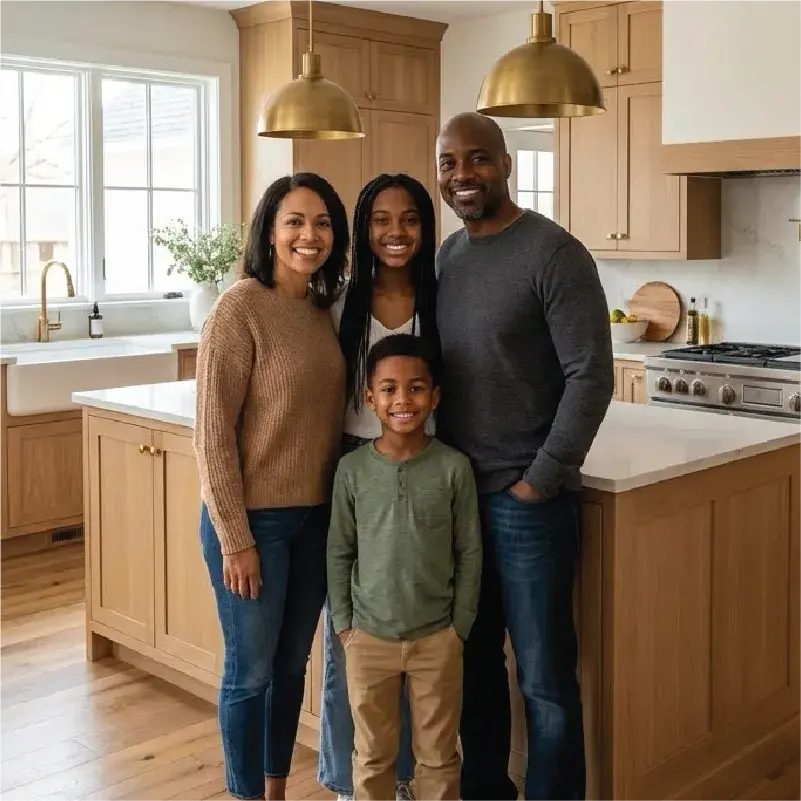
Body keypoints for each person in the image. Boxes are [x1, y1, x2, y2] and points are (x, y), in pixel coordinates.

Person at [435, 112, 614, 801]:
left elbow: (589, 374)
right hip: (456, 504)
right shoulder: (448, 258)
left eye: (476, 160)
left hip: (526, 506)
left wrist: (540, 480)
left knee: (543, 680)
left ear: (505, 164)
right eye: (449, 163)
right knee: (474, 665)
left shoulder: (553, 253)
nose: (462, 176)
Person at [195, 172, 349, 801]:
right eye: (294, 222)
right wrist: (235, 536)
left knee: (291, 669)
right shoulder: (239, 308)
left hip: (314, 521)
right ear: (270, 229)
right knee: (250, 672)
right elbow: (211, 435)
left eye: (321, 223)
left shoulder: (321, 310)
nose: (308, 236)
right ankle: (244, 795)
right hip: (252, 524)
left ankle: (276, 788)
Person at [318, 173, 439, 801]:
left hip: (425, 468)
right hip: (356, 469)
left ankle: (409, 776)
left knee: (419, 632)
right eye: (381, 220)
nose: (396, 233)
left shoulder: (443, 299)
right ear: (362, 230)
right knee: (351, 637)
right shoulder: (339, 303)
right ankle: (350, 781)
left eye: (411, 219)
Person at [327, 333, 482, 801]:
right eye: (389, 389)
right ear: (370, 399)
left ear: (434, 397)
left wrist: (460, 627)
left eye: (416, 388)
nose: (403, 400)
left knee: (438, 756)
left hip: (437, 638)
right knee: (372, 755)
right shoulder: (351, 471)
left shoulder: (454, 468)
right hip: (367, 639)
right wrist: (344, 626)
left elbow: (469, 551)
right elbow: (339, 550)